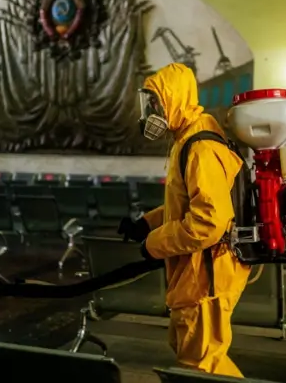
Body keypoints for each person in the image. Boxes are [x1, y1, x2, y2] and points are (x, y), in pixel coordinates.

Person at [118, 63, 251, 377]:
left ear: (175, 99)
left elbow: (208, 223)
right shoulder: (188, 136)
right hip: (197, 271)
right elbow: (187, 205)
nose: (150, 111)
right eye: (149, 103)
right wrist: (148, 224)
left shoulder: (201, 148)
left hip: (205, 274)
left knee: (201, 366)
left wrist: (154, 244)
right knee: (193, 355)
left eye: (155, 102)